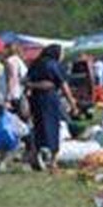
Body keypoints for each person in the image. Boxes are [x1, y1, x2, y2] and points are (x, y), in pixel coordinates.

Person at [24, 44, 77, 172]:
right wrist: (72, 103)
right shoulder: (53, 65)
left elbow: (26, 81)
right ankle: (53, 161)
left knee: (38, 126)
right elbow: (63, 85)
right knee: (52, 127)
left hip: (35, 99)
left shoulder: (36, 63)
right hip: (49, 99)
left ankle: (35, 156)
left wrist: (32, 88)